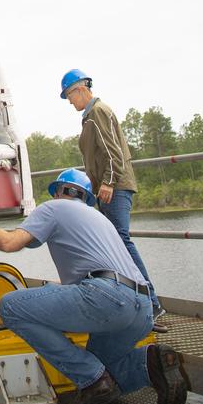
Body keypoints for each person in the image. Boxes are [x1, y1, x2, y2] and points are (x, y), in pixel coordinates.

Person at [0, 168, 190, 404]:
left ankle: (92, 380)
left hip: (106, 296)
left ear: (59, 191)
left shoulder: (52, 208)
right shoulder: (99, 218)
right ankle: (149, 364)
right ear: (86, 197)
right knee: (102, 366)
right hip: (142, 308)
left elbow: (8, 243)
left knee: (11, 306)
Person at [60, 67, 162, 323]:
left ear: (81, 89)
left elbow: (113, 152)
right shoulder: (91, 115)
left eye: (69, 95)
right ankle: (133, 299)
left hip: (114, 187)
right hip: (109, 188)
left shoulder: (96, 112)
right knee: (115, 242)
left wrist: (107, 182)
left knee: (121, 241)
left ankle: (150, 301)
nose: (69, 101)